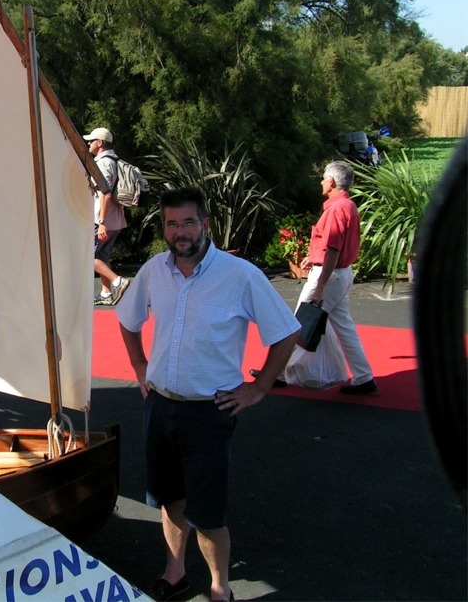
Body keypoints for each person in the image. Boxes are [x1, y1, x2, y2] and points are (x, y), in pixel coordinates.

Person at [116, 187, 300, 602]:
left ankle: (220, 589)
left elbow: (287, 332)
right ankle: (175, 573)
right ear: (164, 227)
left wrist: (258, 387)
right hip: (160, 405)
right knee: (170, 499)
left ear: (205, 224)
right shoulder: (153, 271)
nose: (180, 232)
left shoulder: (239, 275)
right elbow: (128, 320)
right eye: (172, 223)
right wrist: (140, 367)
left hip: (208, 412)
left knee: (208, 512)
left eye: (188, 222)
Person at [268, 161, 377, 395]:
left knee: (298, 322)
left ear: (332, 182)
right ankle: (363, 376)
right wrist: (314, 256)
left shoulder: (336, 209)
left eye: (324, 178)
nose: (321, 181)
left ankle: (277, 374)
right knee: (343, 326)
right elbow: (334, 248)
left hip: (330, 275)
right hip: (341, 274)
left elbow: (333, 249)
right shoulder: (347, 206)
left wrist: (319, 286)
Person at [84, 127, 130, 305]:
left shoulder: (103, 163)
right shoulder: (115, 160)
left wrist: (101, 222)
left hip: (103, 219)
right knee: (102, 256)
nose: (89, 143)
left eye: (92, 140)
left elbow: (106, 193)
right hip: (116, 219)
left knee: (88, 256)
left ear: (100, 143)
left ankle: (118, 281)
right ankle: (106, 293)